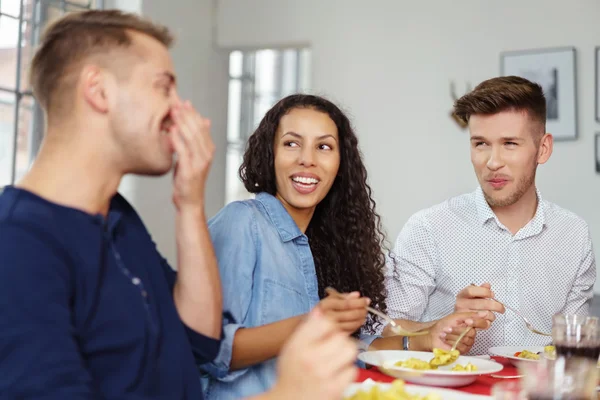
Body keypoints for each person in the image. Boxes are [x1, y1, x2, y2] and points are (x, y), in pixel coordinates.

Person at [0, 10, 361, 400]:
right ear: (99, 90)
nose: (180, 109)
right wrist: (287, 394)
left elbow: (201, 339)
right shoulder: (19, 246)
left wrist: (189, 204)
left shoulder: (117, 218)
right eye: (164, 87)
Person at [199, 93, 488, 399]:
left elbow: (354, 347)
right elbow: (207, 349)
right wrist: (311, 323)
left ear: (339, 165)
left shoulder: (326, 245)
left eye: (323, 146)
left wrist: (426, 338)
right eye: (291, 143)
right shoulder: (241, 223)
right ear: (270, 153)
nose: (307, 159)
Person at [383, 76, 596, 355]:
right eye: (481, 144)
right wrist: (443, 323)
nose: (493, 162)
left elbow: (574, 349)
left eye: (509, 143)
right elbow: (385, 330)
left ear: (542, 149)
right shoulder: (428, 228)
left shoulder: (574, 235)